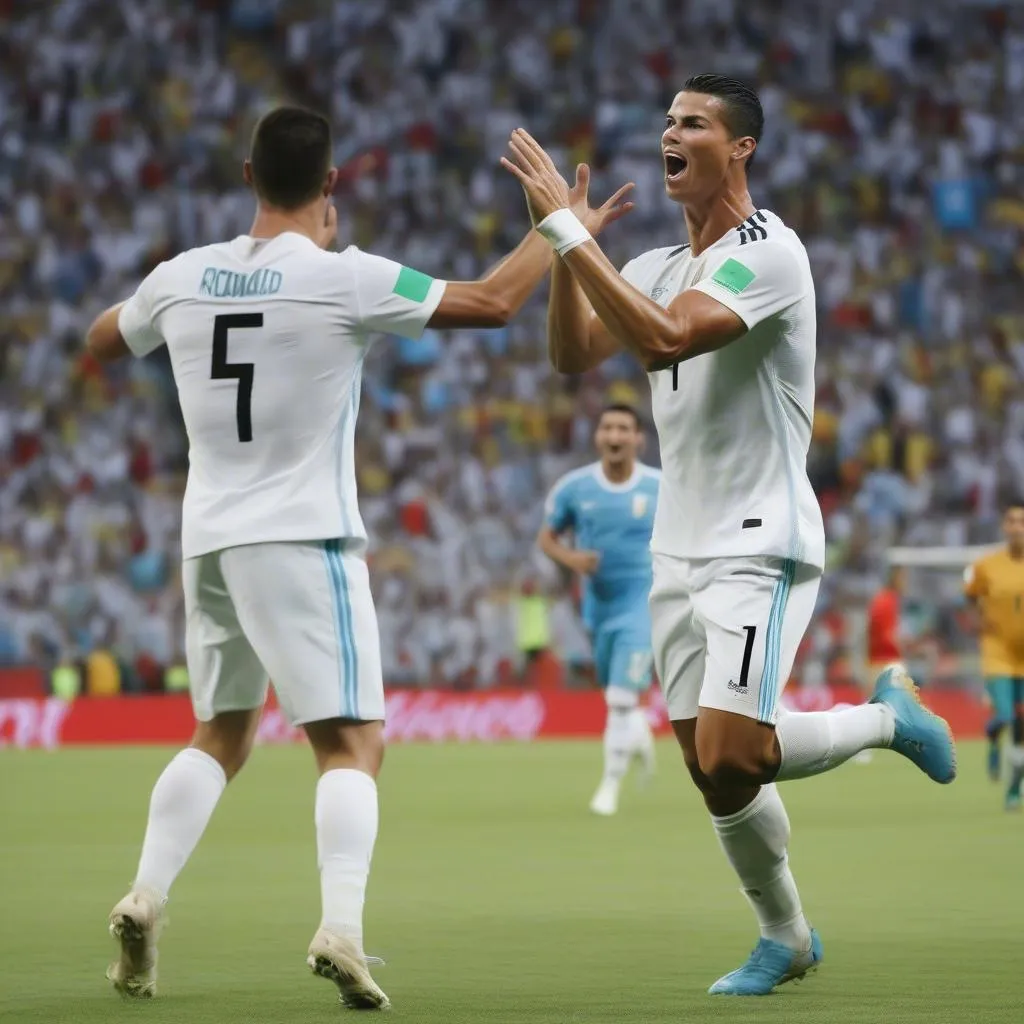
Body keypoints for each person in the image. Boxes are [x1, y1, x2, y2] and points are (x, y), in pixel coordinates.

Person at [85, 105, 633, 1009]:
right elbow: (493, 301)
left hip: (209, 540)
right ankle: (340, 927)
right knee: (353, 743)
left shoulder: (180, 277)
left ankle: (146, 894)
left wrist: (166, 303)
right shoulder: (344, 278)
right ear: (331, 184)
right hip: (303, 537)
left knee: (220, 733)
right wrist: (562, 228)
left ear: (249, 174)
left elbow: (105, 338)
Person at [502, 74, 956, 995]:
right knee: (715, 775)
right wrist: (566, 250)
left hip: (762, 539)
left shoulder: (770, 252)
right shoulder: (652, 266)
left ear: (740, 148)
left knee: (734, 750)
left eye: (694, 123)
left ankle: (886, 719)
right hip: (677, 548)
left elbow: (666, 340)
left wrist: (567, 234)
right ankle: (786, 938)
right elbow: (571, 355)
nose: (672, 132)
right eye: (667, 120)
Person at [538, 404, 660, 815]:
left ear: (638, 439)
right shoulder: (574, 488)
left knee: (620, 697)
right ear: (597, 437)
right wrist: (572, 561)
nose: (615, 434)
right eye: (607, 426)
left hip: (642, 605)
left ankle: (609, 786)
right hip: (598, 608)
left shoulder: (661, 488)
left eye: (624, 428)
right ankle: (639, 732)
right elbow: (548, 537)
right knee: (617, 695)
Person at [964, 501, 1024, 808]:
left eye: (1021, 522)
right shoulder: (988, 565)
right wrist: (979, 621)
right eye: (1012, 521)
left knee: (1021, 728)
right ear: (1004, 527)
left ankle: (1013, 789)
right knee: (1006, 715)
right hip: (998, 652)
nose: (1017, 528)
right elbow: (971, 596)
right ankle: (993, 741)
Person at [856, 565, 909, 765]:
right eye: (903, 578)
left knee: (877, 705)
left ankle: (862, 747)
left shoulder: (884, 599)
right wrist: (905, 644)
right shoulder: (886, 601)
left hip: (879, 660)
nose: (906, 583)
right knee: (892, 703)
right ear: (895, 578)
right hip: (886, 660)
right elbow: (885, 634)